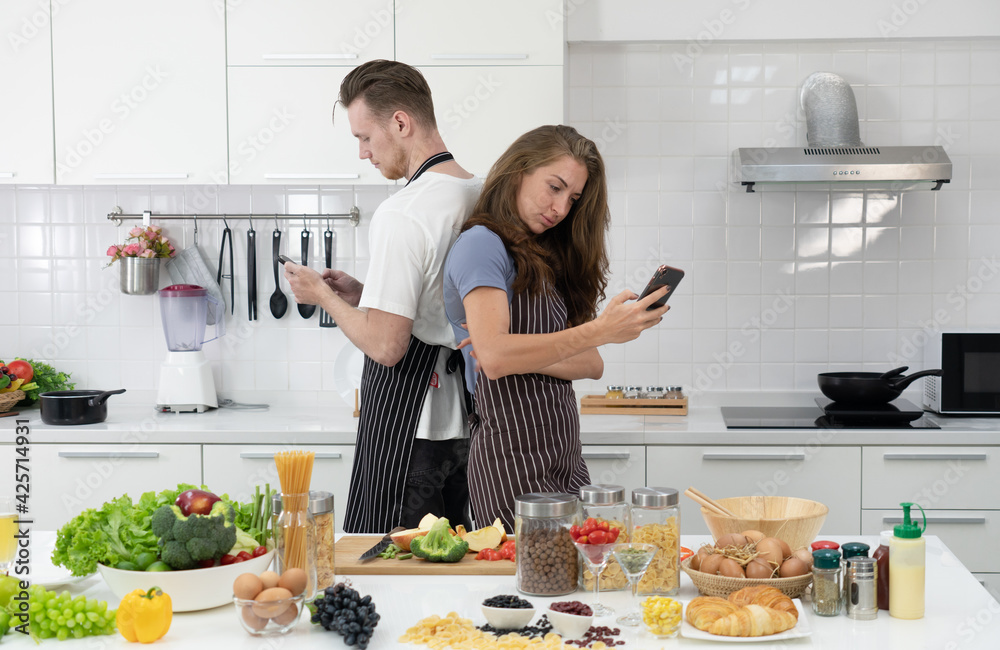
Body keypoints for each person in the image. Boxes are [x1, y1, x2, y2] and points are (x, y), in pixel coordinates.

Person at [283, 60, 481, 534]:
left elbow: (387, 346)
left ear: (400, 122)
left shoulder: (403, 211)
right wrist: (367, 294)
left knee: (393, 561)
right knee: (458, 558)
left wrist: (322, 297)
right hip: (468, 420)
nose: (362, 153)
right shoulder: (479, 191)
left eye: (364, 137)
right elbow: (443, 301)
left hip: (410, 427)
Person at [443, 124, 670, 531]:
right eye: (555, 187)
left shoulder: (541, 256)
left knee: (574, 579)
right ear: (519, 171)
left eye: (573, 198)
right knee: (530, 586)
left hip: (563, 453)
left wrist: (518, 353)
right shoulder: (482, 245)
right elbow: (494, 360)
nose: (562, 208)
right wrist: (596, 331)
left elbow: (591, 364)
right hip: (509, 459)